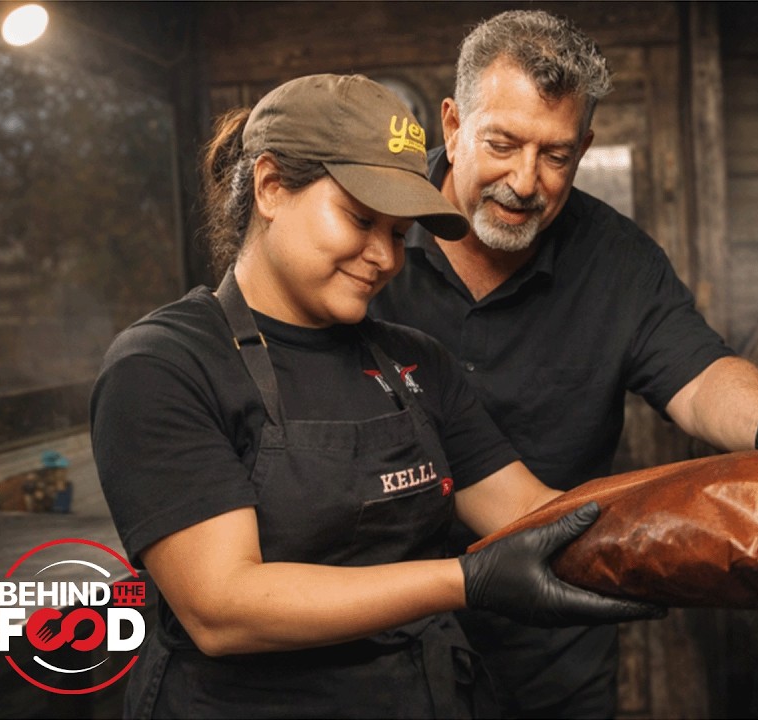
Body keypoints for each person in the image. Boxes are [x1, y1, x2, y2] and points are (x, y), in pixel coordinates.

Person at [89, 73, 662, 719]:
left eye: (398, 232)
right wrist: (463, 582)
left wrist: (704, 535)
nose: (384, 257)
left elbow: (531, 511)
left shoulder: (416, 360)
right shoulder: (166, 364)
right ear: (272, 187)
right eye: (361, 219)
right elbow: (224, 608)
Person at [367, 9, 758, 719]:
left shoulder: (617, 259)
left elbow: (701, 374)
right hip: (379, 647)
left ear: (586, 146)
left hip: (553, 654)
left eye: (557, 155)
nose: (526, 181)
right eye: (502, 144)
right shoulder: (373, 241)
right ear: (452, 125)